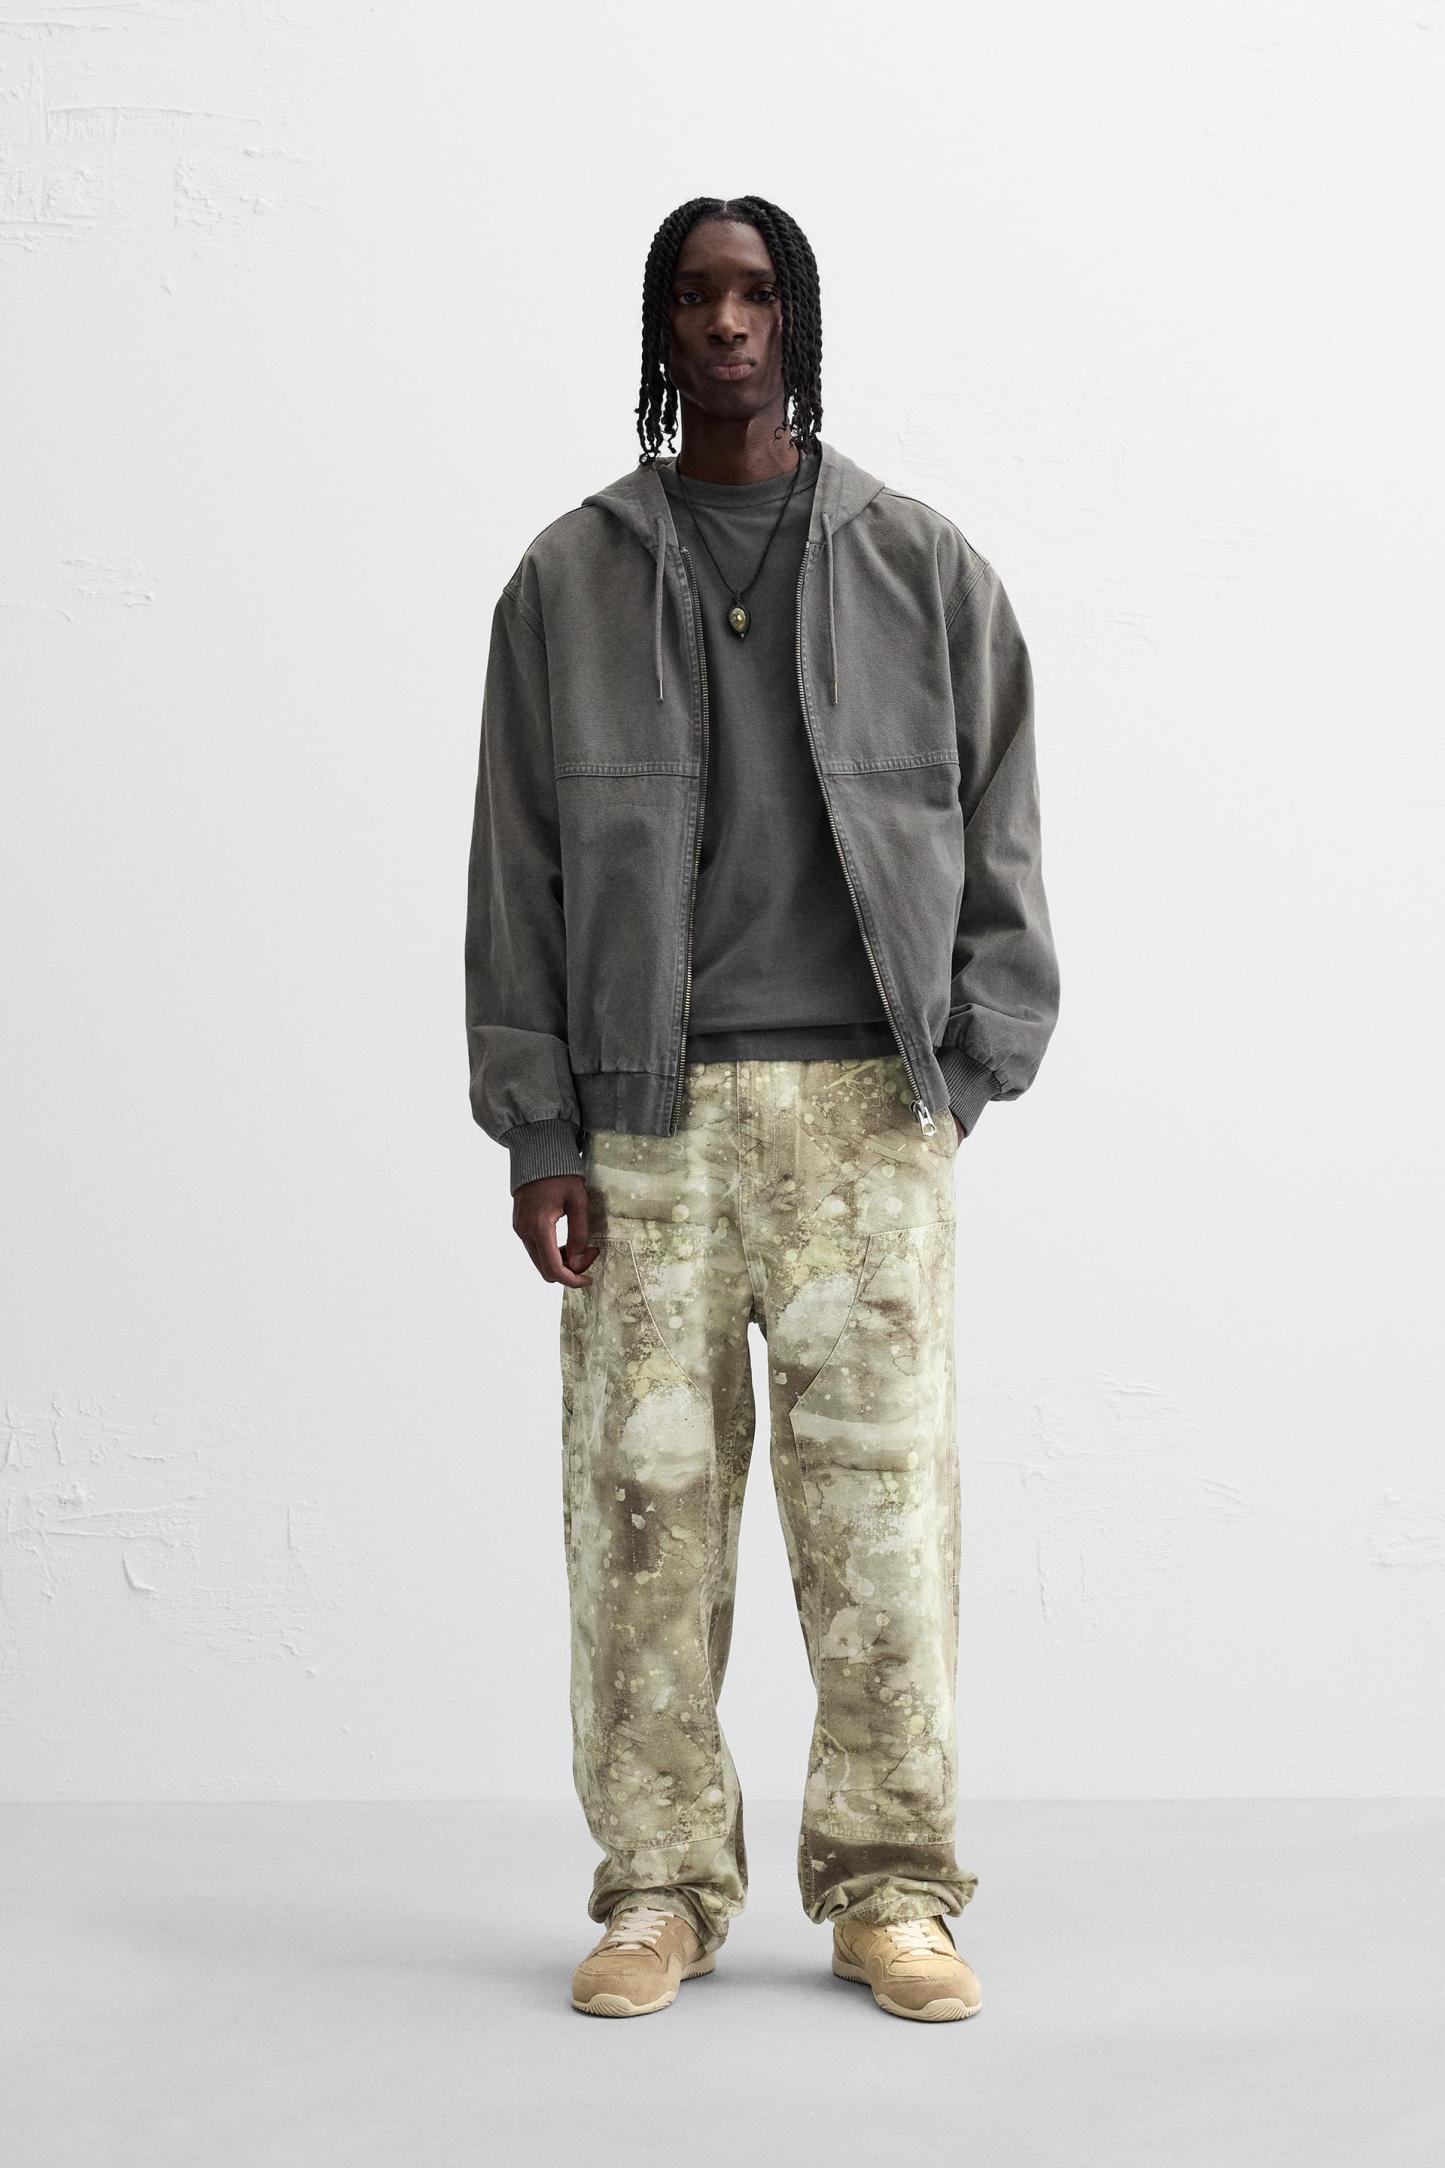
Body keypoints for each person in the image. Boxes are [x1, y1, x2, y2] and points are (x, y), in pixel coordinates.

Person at [464, 193, 1060, 2022]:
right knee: (640, 1532)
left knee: (882, 1531)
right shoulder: (567, 580)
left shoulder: (920, 566)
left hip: (866, 1121)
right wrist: (542, 1132)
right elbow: (515, 872)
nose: (724, 322)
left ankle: (893, 1891)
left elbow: (1002, 824)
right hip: (642, 1127)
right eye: (692, 295)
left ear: (796, 319)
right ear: (659, 330)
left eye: (752, 293)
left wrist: (965, 1070)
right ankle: (656, 1889)